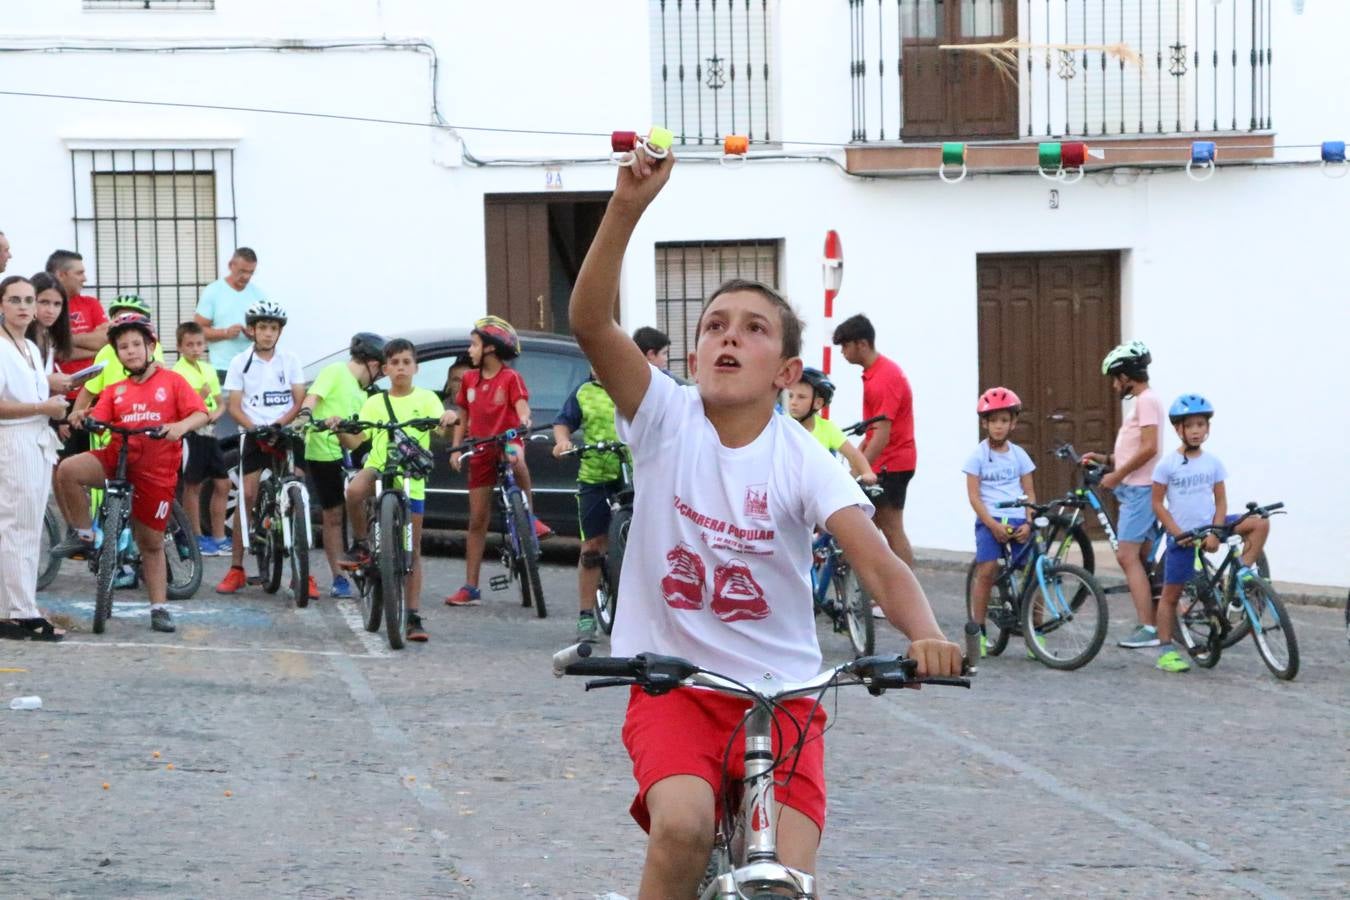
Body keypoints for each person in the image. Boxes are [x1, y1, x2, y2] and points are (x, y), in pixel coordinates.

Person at [567, 144, 962, 898]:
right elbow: (589, 321)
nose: (729, 336)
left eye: (753, 328)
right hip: (676, 687)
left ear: (785, 374)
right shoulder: (663, 417)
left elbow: (878, 562)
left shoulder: (804, 459)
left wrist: (927, 637)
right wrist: (626, 206)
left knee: (785, 879)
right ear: (693, 355)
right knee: (683, 828)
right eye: (715, 325)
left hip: (784, 698)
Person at [53, 313, 208, 633]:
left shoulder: (172, 382)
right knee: (68, 470)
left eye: (137, 344)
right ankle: (85, 536)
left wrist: (180, 427)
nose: (131, 351)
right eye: (123, 347)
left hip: (156, 469)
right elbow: (99, 418)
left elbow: (200, 413)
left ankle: (159, 608)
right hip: (116, 457)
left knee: (150, 542)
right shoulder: (116, 389)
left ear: (150, 346)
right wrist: (83, 416)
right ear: (117, 353)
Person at [339, 339, 457, 641]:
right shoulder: (374, 402)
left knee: (412, 549)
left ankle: (413, 616)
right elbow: (357, 439)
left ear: (416, 367)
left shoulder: (427, 398)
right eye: (394, 363)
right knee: (354, 491)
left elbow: (442, 428)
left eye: (406, 362)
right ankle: (362, 543)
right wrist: (340, 430)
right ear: (385, 369)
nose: (401, 368)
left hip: (410, 475)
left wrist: (448, 419)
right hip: (379, 466)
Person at [1151, 394, 1269, 674]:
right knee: (1170, 595)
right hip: (1184, 534)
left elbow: (1221, 501)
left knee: (1259, 523)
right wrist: (1177, 534)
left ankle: (1241, 573)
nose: (1196, 431)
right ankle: (1166, 650)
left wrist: (1216, 532)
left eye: (1201, 425)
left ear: (1208, 428)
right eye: (1190, 426)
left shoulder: (1213, 463)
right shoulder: (1167, 465)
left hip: (1213, 524)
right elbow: (1157, 504)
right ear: (1178, 429)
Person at [444, 316, 548, 606]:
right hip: (479, 447)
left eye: (474, 344)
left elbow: (521, 406)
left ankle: (529, 517)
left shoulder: (510, 378)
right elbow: (463, 416)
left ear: (490, 348)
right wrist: (456, 449)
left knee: (516, 458)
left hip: (507, 439)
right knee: (477, 520)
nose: (470, 350)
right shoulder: (469, 379)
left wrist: (525, 420)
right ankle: (471, 587)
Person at [213, 300, 310, 598]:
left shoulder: (290, 360)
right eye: (263, 327)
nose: (268, 333)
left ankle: (304, 572)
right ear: (252, 330)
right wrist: (254, 427)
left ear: (280, 332)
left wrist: (281, 424)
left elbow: (299, 399)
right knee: (247, 496)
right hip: (254, 432)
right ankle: (237, 568)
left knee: (299, 492)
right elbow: (234, 405)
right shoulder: (239, 362)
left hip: (285, 431)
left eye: (274, 328)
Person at [1082, 340, 1166, 649]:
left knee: (1126, 555)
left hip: (1139, 492)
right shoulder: (1145, 402)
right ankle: (1162, 620)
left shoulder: (1146, 401)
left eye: (1116, 379)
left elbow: (1149, 448)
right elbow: (1135, 448)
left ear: (1127, 375)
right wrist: (1107, 460)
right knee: (1142, 558)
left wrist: (1116, 476)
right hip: (1137, 488)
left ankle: (1149, 628)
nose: (1115, 385)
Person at [0, 275, 68, 641]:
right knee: (18, 526)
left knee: (26, 526)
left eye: (29, 299)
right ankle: (20, 610)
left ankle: (12, 608)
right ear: (1, 304)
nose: (24, 307)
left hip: (37, 438)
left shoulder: (29, 345)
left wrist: (53, 408)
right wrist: (43, 407)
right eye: (15, 299)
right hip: (13, 439)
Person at [299, 332, 387, 598]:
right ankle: (339, 577)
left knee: (365, 498)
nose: (378, 378)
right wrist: (305, 414)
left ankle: (365, 549)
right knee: (333, 515)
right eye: (379, 372)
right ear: (372, 364)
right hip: (323, 450)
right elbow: (313, 397)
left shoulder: (365, 392)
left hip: (350, 446)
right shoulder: (336, 371)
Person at [831, 313, 917, 570]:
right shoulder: (875, 374)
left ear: (862, 344)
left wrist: (860, 468)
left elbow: (882, 435)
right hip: (884, 462)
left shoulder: (883, 378)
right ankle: (875, 587)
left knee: (891, 528)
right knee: (866, 529)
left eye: (845, 346)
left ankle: (906, 591)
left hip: (893, 463)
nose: (843, 352)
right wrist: (856, 462)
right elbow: (871, 431)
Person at [551, 369, 625, 642]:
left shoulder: (629, 384)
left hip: (632, 473)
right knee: (592, 546)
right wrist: (563, 442)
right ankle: (585, 615)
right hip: (595, 476)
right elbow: (562, 423)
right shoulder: (583, 392)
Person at [962, 388, 1037, 657]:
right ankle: (979, 631)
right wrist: (992, 525)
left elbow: (1029, 492)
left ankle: (1035, 633)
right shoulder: (977, 456)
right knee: (987, 569)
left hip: (1017, 519)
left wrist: (1028, 522)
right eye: (993, 420)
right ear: (985, 423)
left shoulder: (1019, 455)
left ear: (1013, 423)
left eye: (1004, 420)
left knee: (1034, 573)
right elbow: (974, 497)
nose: (998, 426)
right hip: (990, 519)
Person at [172, 321, 231, 556]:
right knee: (193, 485)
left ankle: (219, 536)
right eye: (190, 345)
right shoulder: (177, 373)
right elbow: (178, 406)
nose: (195, 349)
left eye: (199, 344)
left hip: (209, 432)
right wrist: (200, 396)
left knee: (223, 483)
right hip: (191, 434)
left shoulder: (207, 369)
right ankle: (195, 536)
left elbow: (220, 402)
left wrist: (215, 414)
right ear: (180, 347)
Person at [47, 250, 108, 458]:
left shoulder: (91, 303)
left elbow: (104, 341)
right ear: (61, 274)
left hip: (94, 397)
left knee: (93, 459)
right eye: (79, 273)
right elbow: (56, 353)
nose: (85, 278)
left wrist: (64, 338)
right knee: (63, 463)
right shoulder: (49, 309)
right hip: (61, 398)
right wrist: (91, 344)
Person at [785, 367, 874, 483]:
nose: (793, 402)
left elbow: (854, 455)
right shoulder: (782, 425)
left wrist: (867, 472)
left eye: (801, 397)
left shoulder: (827, 429)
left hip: (818, 489)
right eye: (790, 396)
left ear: (818, 403)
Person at [194, 247, 264, 380]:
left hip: (253, 367)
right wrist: (225, 333)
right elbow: (197, 330)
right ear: (231, 265)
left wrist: (255, 334)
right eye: (242, 271)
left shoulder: (259, 295)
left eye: (251, 272)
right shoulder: (213, 291)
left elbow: (269, 332)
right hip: (222, 368)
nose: (246, 277)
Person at [26, 272, 74, 396]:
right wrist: (47, 381)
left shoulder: (48, 335)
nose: (51, 311)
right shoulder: (13, 337)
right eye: (44, 302)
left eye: (57, 304)